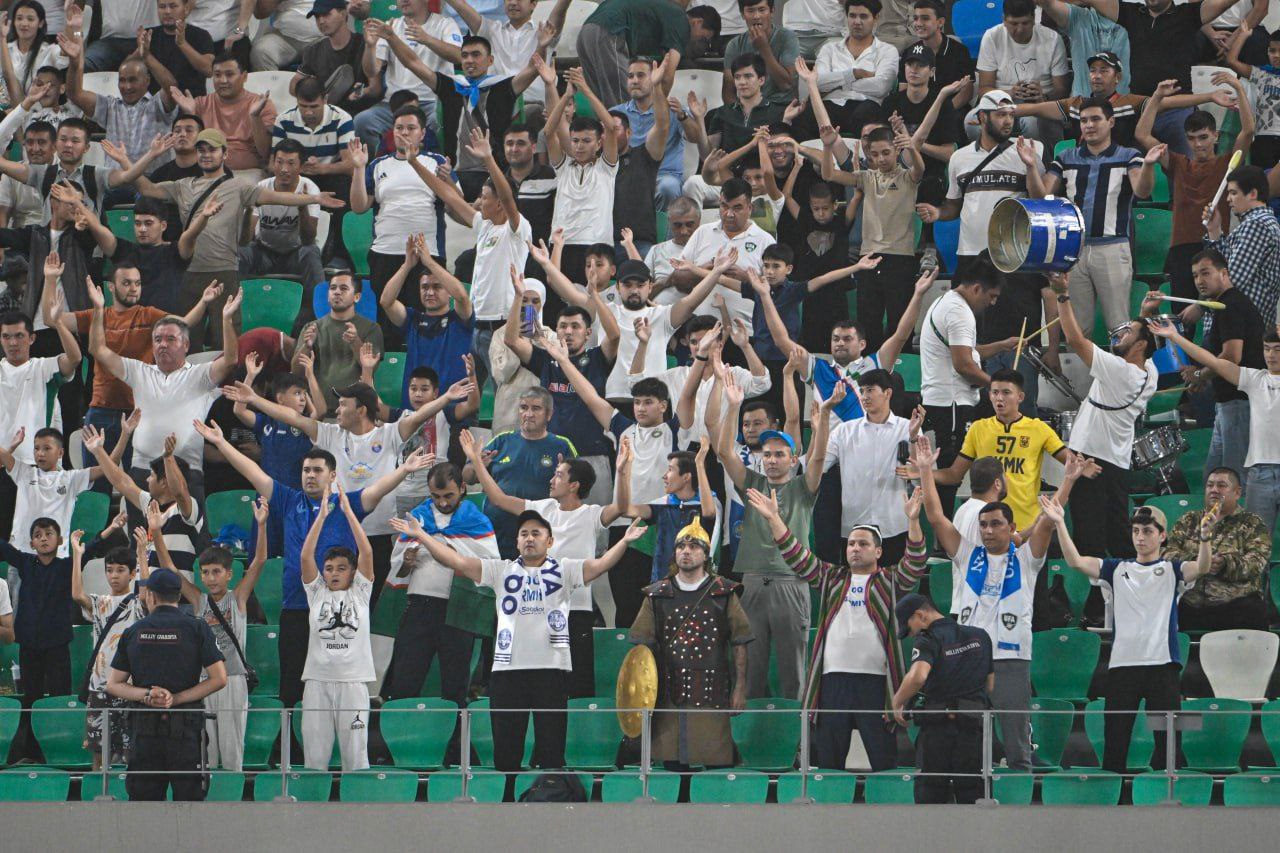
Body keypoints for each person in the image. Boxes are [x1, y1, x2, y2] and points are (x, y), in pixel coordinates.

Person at [393, 508, 646, 775]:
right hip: (507, 671)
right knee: (506, 753)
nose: (529, 538)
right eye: (524, 534)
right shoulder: (501, 570)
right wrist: (421, 534)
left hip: (552, 670)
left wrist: (624, 540)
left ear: (550, 541)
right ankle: (508, 796)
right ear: (516, 542)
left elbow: (601, 565)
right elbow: (457, 561)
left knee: (551, 752)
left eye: (536, 533)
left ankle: (550, 792)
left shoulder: (565, 569)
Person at [192, 421, 423, 710]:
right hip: (296, 605)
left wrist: (404, 470)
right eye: (306, 470)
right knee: (291, 685)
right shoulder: (289, 500)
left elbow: (377, 490)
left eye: (317, 470)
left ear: (333, 475)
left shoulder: (348, 504)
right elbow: (253, 473)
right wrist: (222, 443)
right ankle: (290, 736)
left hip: (337, 609)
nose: (310, 475)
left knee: (334, 683)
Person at [224, 376, 459, 607]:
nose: (336, 410)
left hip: (379, 535)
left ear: (361, 410)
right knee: (336, 602)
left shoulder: (389, 433)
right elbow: (294, 417)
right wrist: (254, 399)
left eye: (343, 404)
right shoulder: (330, 434)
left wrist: (447, 397)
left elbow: (419, 416)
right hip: (340, 533)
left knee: (367, 605)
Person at [749, 480, 926, 770]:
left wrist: (913, 521)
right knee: (829, 762)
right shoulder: (831, 578)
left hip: (876, 683)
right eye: (852, 544)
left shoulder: (889, 581)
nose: (855, 548)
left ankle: (887, 800)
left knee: (883, 759)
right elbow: (796, 555)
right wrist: (774, 518)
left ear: (878, 552)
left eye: (863, 544)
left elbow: (916, 562)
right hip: (832, 682)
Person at [1042, 498, 1214, 774]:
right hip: (1123, 667)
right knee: (1116, 739)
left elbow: (1202, 567)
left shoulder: (1173, 570)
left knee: (1169, 741)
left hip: (1163, 666)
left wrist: (1205, 538)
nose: (1140, 537)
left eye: (1147, 531)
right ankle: (1116, 794)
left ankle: (1168, 792)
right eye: (1136, 531)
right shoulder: (1115, 568)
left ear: (1162, 536)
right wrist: (1060, 523)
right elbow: (1075, 561)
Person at [916, 434, 1056, 772]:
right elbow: (934, 516)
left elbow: (1048, 522)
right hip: (970, 656)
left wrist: (1068, 482)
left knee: (1017, 745)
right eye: (984, 525)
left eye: (995, 524)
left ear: (1012, 528)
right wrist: (925, 471)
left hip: (1011, 656)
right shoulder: (967, 554)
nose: (988, 530)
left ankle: (1018, 795)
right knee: (969, 740)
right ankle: (971, 791)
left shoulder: (1025, 559)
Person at [129, 129, 344, 348]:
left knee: (226, 345)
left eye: (212, 150)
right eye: (201, 150)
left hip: (225, 271)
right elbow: (145, 188)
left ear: (225, 154)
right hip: (190, 271)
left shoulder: (239, 187)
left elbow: (278, 197)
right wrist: (149, 155)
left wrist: (314, 198)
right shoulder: (182, 186)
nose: (206, 154)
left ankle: (319, 326)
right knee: (187, 342)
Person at [464, 431, 631, 697]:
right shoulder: (543, 508)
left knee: (578, 686)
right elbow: (499, 499)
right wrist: (475, 460)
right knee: (546, 686)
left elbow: (621, 507)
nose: (551, 480)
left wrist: (622, 472)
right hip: (539, 609)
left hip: (576, 610)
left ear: (574, 485)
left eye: (559, 475)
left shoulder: (591, 515)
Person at [716, 366, 834, 699]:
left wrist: (822, 422)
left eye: (779, 454)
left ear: (793, 459)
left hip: (790, 582)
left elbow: (819, 457)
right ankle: (755, 732)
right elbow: (724, 452)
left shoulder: (802, 488)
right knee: (750, 673)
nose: (771, 460)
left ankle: (797, 733)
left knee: (792, 673)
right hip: (752, 582)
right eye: (767, 454)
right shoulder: (752, 483)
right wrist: (733, 405)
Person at [382, 461, 497, 764]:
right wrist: (406, 562)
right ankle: (398, 750)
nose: (443, 503)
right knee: (405, 682)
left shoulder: (477, 520)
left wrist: (452, 552)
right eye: (436, 496)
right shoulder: (416, 519)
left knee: (455, 686)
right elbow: (398, 570)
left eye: (449, 496)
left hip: (458, 609)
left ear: (463, 488)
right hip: (420, 607)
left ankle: (455, 753)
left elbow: (489, 565)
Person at [87, 280, 241, 498]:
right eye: (158, 340)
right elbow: (98, 350)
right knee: (139, 523)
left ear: (186, 345)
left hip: (187, 472)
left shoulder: (199, 375)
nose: (163, 344)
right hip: (142, 472)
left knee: (187, 522)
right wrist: (98, 309)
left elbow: (230, 360)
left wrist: (226, 319)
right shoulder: (139, 371)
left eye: (171, 339)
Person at [1022, 100, 1160, 336]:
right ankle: (1082, 364)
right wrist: (1031, 167)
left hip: (1113, 246)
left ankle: (1122, 362)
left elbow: (1143, 191)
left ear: (1111, 122)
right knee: (1078, 329)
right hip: (1075, 250)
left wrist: (1147, 166)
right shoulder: (1066, 157)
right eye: (1084, 120)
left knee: (1120, 327)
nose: (1088, 125)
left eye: (1095, 119)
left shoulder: (1129, 156)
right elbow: (1041, 198)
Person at [404, 129, 531, 382]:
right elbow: (448, 195)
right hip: (475, 326)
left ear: (499, 204)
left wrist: (488, 159)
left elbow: (507, 196)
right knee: (468, 393)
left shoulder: (516, 229)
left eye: (484, 197)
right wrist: (414, 163)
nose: (479, 202)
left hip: (502, 327)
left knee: (503, 395)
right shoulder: (484, 225)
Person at [1149, 319, 1280, 555]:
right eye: (1267, 349)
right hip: (1259, 473)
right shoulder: (1255, 379)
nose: (1271, 355)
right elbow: (1214, 362)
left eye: (1277, 349)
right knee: (1254, 548)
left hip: (1263, 473)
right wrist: (1175, 337)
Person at [1050, 271, 1157, 558]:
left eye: (1128, 333)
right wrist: (1145, 314)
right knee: (1119, 538)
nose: (1120, 335)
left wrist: (1062, 295)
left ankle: (1096, 589)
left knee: (1089, 543)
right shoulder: (1150, 372)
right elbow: (1143, 339)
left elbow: (1075, 339)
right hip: (1116, 463)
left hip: (1091, 461)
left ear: (1140, 345)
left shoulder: (1119, 370)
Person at [630, 516, 752, 768]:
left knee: (715, 762)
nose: (686, 551)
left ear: (706, 555)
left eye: (694, 546)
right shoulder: (657, 594)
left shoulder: (723, 592)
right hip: (668, 693)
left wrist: (740, 687)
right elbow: (641, 648)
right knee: (672, 763)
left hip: (711, 692)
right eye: (681, 547)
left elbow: (740, 641)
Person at [372, 26, 544, 201]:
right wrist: (392, 38)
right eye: (465, 55)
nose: (469, 60)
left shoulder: (504, 87)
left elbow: (534, 68)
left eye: (476, 55)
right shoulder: (450, 85)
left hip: (494, 175)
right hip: (454, 175)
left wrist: (543, 45)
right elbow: (413, 63)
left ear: (490, 60)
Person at [105, 567, 227, 801]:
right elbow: (219, 678)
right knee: (189, 804)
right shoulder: (197, 628)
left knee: (144, 806)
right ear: (179, 596)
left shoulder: (133, 631)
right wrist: (176, 698)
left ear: (150, 595)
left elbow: (114, 684)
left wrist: (148, 694)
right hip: (186, 729)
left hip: (145, 730)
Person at [1082, 0, 1256, 156]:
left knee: (1185, 172)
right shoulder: (1131, 13)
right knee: (1132, 172)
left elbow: (1223, 3)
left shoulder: (1188, 14)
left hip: (1178, 110)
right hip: (1141, 109)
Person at [1136, 82, 1254, 302]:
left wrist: (1239, 89)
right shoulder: (1178, 163)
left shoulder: (1227, 164)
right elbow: (1142, 134)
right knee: (1182, 314)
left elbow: (1248, 131)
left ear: (1215, 135)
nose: (1197, 144)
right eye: (1191, 138)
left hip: (1215, 246)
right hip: (1181, 248)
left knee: (1217, 310)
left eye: (1203, 137)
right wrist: (1157, 96)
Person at [505, 277, 619, 506]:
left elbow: (615, 335)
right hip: (554, 456)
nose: (568, 331)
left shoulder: (598, 358)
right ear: (556, 331)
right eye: (563, 326)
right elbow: (512, 340)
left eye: (575, 327)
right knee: (553, 520)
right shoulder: (546, 360)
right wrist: (519, 297)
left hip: (592, 453)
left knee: (596, 522)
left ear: (588, 332)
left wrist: (595, 296)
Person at [177, 502, 268, 773]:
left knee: (231, 751)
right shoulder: (198, 600)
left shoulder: (237, 598)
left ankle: (232, 795)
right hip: (204, 680)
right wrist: (156, 532)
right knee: (206, 754)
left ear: (229, 574)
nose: (210, 578)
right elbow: (170, 569)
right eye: (205, 572)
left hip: (234, 678)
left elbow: (260, 561)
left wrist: (261, 524)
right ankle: (209, 795)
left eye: (216, 572)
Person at [915, 257, 1008, 517]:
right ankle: (943, 533)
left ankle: (943, 531)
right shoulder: (959, 312)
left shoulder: (946, 302)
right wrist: (999, 388)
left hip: (944, 401)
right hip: (952, 404)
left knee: (949, 476)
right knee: (949, 478)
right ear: (976, 288)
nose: (992, 303)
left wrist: (1002, 345)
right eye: (991, 296)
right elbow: (964, 365)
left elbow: (967, 350)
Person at [819, 123, 924, 350]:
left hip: (900, 258)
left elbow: (920, 170)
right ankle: (869, 369)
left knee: (899, 324)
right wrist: (827, 147)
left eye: (886, 152)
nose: (881, 159)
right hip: (868, 258)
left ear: (897, 150)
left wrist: (912, 147)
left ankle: (900, 368)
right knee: (868, 324)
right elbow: (829, 174)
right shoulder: (866, 177)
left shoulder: (907, 177)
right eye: (875, 154)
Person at [931, 369, 1069, 530]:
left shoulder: (1039, 429)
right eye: (995, 392)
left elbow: (1072, 464)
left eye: (1006, 392)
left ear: (1020, 397)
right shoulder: (978, 428)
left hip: (1027, 527)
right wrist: (923, 471)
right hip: (988, 528)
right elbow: (954, 475)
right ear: (989, 395)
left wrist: (1085, 468)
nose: (999, 398)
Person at [891, 592, 994, 804]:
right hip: (973, 727)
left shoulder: (928, 638)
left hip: (937, 729)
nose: (911, 634)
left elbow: (918, 676)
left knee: (931, 792)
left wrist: (897, 702)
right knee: (974, 792)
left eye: (909, 627)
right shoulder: (981, 636)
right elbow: (990, 684)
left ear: (920, 615)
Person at [298, 486, 375, 771]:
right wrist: (321, 517)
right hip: (317, 682)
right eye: (329, 568)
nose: (333, 573)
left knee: (356, 758)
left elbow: (366, 551)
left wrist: (348, 513)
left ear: (353, 572)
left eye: (341, 568)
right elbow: (306, 557)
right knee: (314, 758)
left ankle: (357, 800)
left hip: (353, 682)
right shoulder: (316, 592)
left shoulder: (361, 592)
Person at [463, 386, 577, 559]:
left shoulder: (562, 446)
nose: (528, 414)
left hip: (540, 538)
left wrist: (564, 478)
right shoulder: (501, 441)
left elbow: (576, 490)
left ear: (549, 414)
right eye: (524, 407)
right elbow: (467, 477)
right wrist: (478, 465)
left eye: (536, 408)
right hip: (498, 535)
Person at [822, 369, 920, 568]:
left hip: (894, 527)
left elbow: (921, 477)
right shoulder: (844, 431)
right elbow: (818, 465)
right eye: (862, 391)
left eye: (870, 390)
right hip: (854, 529)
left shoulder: (908, 428)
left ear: (888, 393)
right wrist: (821, 423)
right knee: (856, 585)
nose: (864, 396)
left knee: (894, 586)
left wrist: (913, 439)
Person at [1164, 468, 1271, 631]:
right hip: (1190, 602)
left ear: (1237, 492)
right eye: (1210, 485)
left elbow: (1256, 564)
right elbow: (1167, 554)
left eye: (1221, 485)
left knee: (1255, 610)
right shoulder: (1188, 520)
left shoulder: (1253, 523)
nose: (1214, 490)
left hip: (1235, 605)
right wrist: (1198, 562)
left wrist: (1224, 564)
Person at [71, 533, 144, 769]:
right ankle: (97, 792)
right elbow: (76, 595)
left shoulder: (137, 603)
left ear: (132, 574)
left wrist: (142, 554)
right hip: (99, 686)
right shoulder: (99, 602)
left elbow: (146, 594)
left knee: (131, 754)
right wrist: (77, 556)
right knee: (99, 753)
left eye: (120, 570)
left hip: (130, 686)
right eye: (109, 570)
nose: (114, 575)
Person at [545, 68, 620, 295]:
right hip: (562, 243)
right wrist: (567, 95)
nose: (579, 146)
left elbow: (611, 126)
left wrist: (584, 89)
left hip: (595, 245)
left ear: (599, 143)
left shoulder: (606, 168)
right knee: (557, 303)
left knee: (593, 304)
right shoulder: (563, 167)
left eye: (586, 141)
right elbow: (549, 132)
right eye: (575, 140)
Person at [353, 0, 462, 150]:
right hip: (393, 104)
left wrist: (428, 39)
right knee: (362, 122)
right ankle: (381, 161)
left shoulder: (445, 23)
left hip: (432, 102)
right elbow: (372, 71)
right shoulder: (390, 26)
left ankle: (435, 163)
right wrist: (370, 46)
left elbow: (458, 56)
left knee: (439, 123)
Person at [379, 234, 474, 406]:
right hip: (415, 410)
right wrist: (407, 265)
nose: (430, 292)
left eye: (437, 287)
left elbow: (461, 296)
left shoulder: (460, 319)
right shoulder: (411, 319)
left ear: (448, 292)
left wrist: (429, 262)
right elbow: (386, 301)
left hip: (452, 409)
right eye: (424, 287)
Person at [974, 0, 1069, 147]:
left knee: (1032, 124)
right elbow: (984, 89)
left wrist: (1043, 96)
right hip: (1001, 101)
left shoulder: (1052, 39)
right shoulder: (992, 36)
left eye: (1025, 23)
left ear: (1034, 19)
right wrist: (1009, 93)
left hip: (1041, 103)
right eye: (1013, 24)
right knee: (971, 123)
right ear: (1004, 20)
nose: (1019, 30)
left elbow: (1062, 89)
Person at [238, 139, 326, 291]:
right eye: (279, 162)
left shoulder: (310, 189)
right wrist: (249, 209)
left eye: (291, 163)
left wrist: (302, 208)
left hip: (295, 253)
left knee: (311, 252)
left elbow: (308, 240)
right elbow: (244, 240)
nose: (284, 169)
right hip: (264, 252)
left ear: (301, 166)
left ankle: (320, 305)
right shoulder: (262, 187)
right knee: (241, 252)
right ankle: (231, 302)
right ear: (273, 163)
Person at [168, 52, 277, 172]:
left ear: (244, 76)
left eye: (229, 74)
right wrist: (190, 114)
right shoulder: (199, 104)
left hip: (248, 173)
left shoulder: (261, 104)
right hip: (206, 173)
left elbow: (265, 152)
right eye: (217, 75)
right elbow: (188, 151)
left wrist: (255, 116)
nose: (223, 80)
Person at [804, 0, 898, 137]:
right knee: (803, 117)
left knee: (864, 115)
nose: (857, 22)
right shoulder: (829, 49)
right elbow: (817, 82)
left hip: (866, 105)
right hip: (832, 104)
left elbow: (881, 86)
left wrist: (838, 84)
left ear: (876, 17)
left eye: (863, 16)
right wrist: (854, 74)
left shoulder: (887, 51)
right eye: (852, 16)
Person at [577, 0, 688, 109]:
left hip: (585, 33)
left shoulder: (653, 9)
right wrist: (655, 110)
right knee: (627, 106)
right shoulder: (679, 15)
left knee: (603, 105)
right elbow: (667, 76)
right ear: (696, 22)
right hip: (609, 31)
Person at [1218, 165, 1280, 328]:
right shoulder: (1263, 222)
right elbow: (1224, 264)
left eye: (1233, 193)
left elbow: (1232, 279)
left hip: (1241, 328)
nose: (1228, 199)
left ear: (1252, 194)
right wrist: (1214, 230)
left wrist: (1200, 306)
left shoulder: (1256, 225)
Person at [292, 0, 375, 116]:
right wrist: (312, 90)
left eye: (326, 14)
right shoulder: (313, 50)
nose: (321, 21)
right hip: (326, 114)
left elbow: (376, 88)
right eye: (317, 17)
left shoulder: (365, 44)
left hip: (358, 113)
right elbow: (293, 85)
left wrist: (359, 92)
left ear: (343, 14)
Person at [1031, 0, 1127, 99]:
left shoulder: (1132, 15)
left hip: (1121, 103)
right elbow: (1046, 2)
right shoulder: (1078, 17)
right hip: (1080, 104)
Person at [723, 0, 800, 106]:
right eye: (750, 11)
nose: (756, 16)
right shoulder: (734, 45)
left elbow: (786, 85)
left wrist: (764, 49)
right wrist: (741, 112)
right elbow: (728, 93)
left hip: (781, 106)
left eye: (762, 10)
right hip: (747, 108)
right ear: (742, 15)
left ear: (772, 11)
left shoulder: (787, 38)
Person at [142, 0, 217, 98]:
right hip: (156, 103)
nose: (167, 11)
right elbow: (129, 66)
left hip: (192, 101)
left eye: (173, 6)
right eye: (162, 7)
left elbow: (208, 70)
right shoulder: (149, 35)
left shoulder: (201, 35)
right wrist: (144, 54)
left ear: (186, 9)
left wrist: (182, 44)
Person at [251, 0, 324, 71]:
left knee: (329, 54)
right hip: (284, 37)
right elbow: (259, 13)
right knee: (261, 52)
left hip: (322, 37)